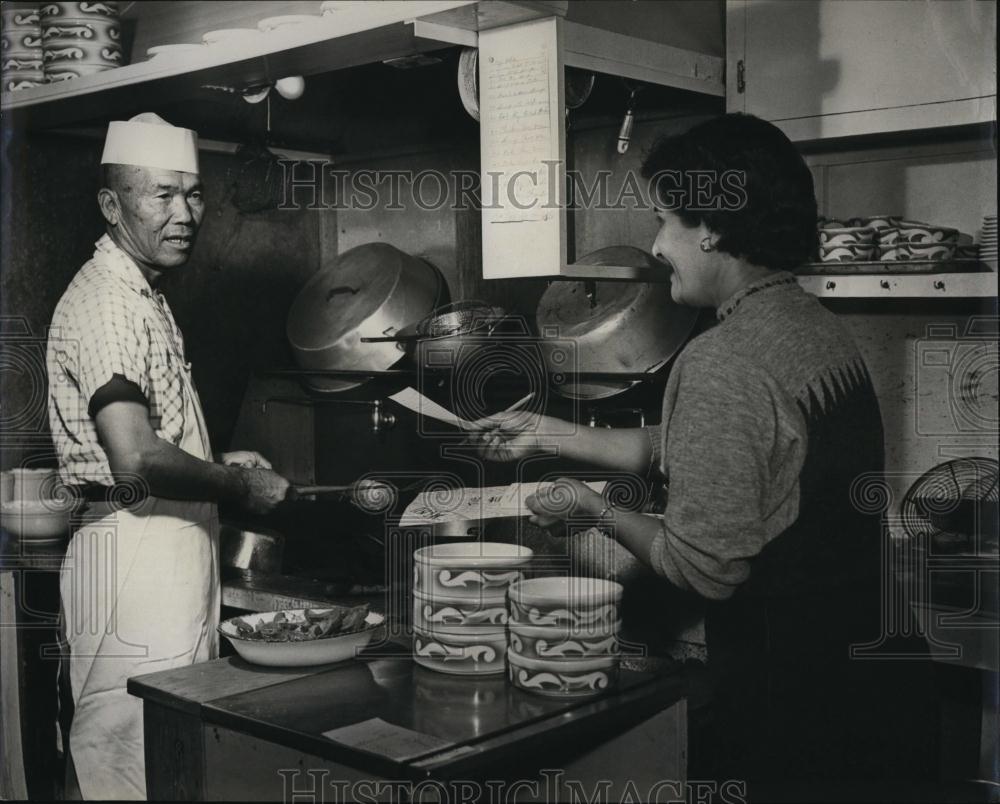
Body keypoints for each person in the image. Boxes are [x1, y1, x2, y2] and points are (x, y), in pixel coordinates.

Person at [471, 114, 938, 793]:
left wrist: (592, 509)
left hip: (794, 704)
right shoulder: (812, 328)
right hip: (877, 675)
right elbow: (733, 451)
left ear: (712, 228)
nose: (657, 246)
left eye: (664, 220)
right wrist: (548, 431)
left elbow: (702, 569)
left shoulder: (722, 358)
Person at [45, 113, 291, 800]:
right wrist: (237, 489)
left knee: (159, 758)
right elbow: (135, 458)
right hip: (133, 558)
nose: (185, 214)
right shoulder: (108, 303)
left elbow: (156, 435)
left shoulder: (141, 293)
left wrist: (217, 458)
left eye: (194, 194)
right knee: (120, 762)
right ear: (111, 204)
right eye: (161, 195)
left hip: (164, 552)